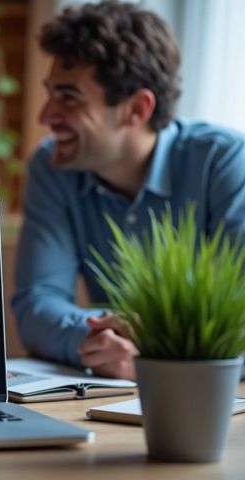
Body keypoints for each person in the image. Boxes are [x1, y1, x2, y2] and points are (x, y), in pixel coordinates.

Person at [12, 1, 245, 379]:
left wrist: (158, 346)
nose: (45, 117)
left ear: (136, 109)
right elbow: (38, 303)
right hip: (108, 396)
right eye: (50, 92)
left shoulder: (223, 162)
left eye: (68, 97)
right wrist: (101, 338)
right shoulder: (52, 167)